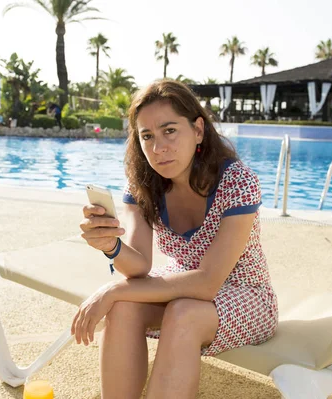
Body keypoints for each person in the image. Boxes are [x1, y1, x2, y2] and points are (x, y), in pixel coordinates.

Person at [73, 79, 278, 398]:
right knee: (125, 306)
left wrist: (112, 289)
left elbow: (208, 283)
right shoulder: (143, 185)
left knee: (182, 313)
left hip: (246, 296)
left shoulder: (237, 182)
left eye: (169, 131)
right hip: (181, 286)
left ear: (197, 130)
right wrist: (110, 245)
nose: (158, 148)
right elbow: (139, 265)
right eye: (147, 136)